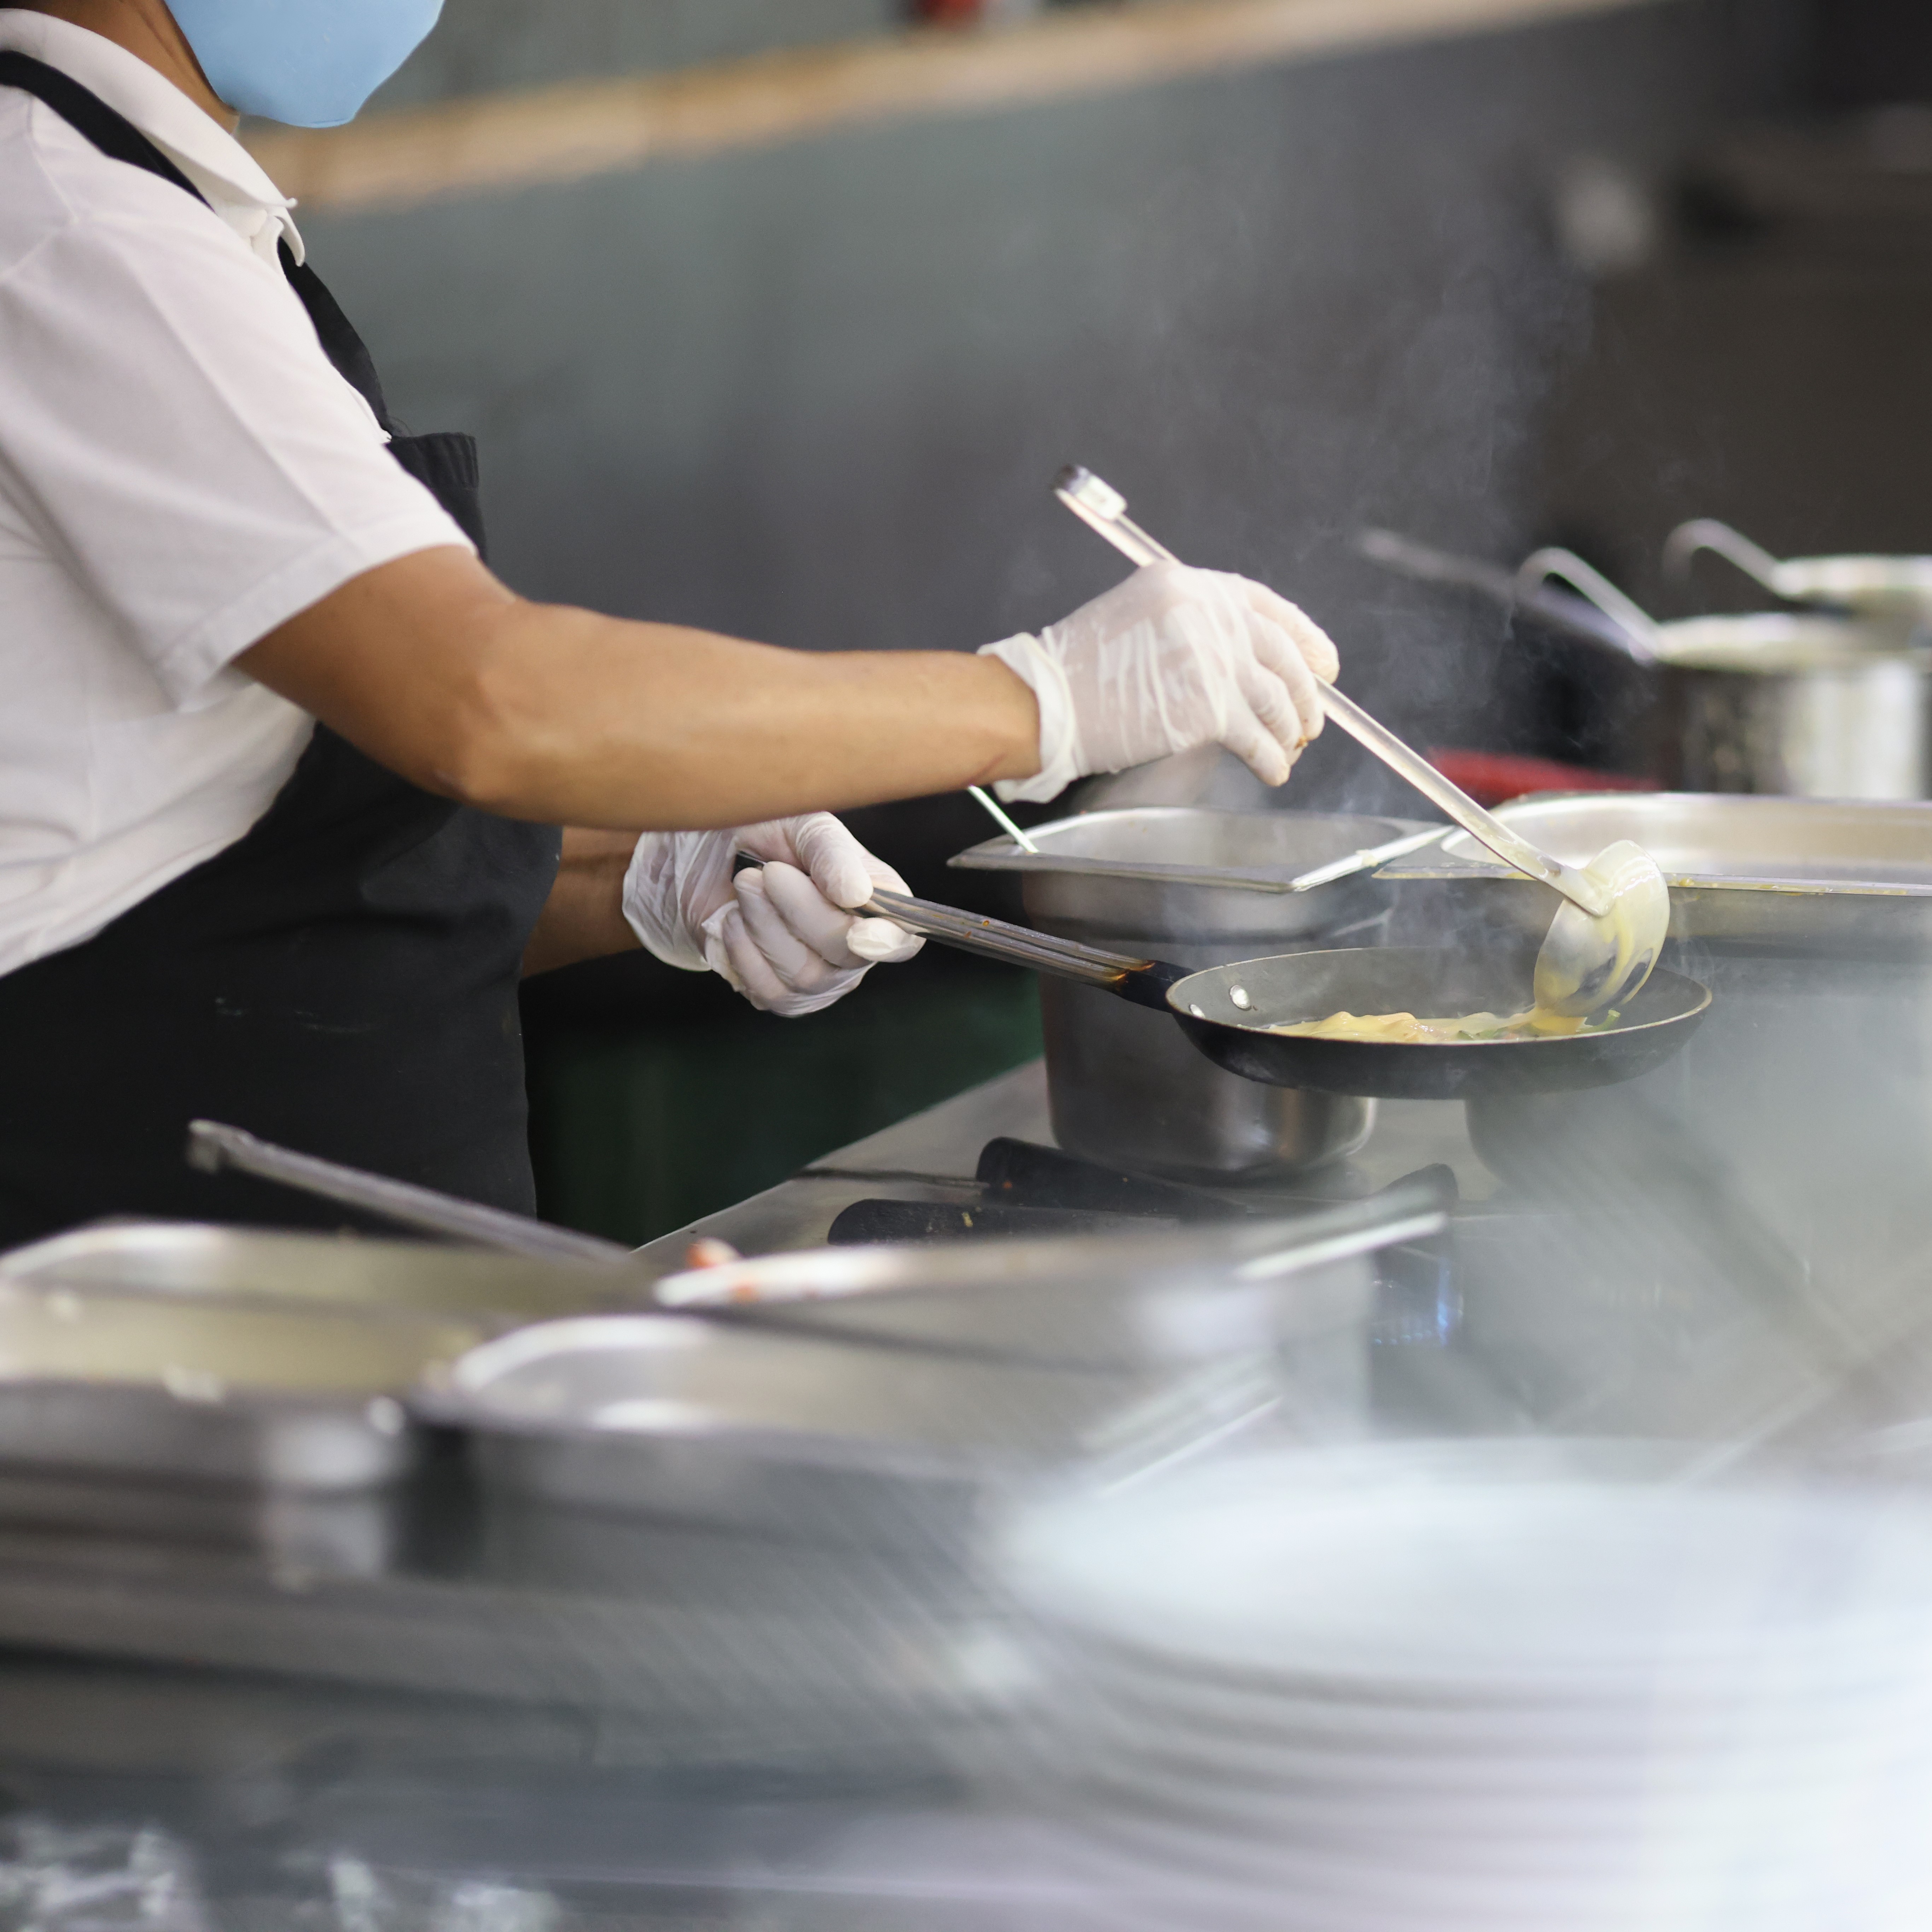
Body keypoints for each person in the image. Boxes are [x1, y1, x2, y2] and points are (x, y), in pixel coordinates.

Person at [0, 0, 1340, 1244]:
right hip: (158, 1298)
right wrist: (1044, 703)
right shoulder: (67, 231)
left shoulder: (176, 221)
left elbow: (220, 853)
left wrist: (638, 882)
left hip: (315, 1294)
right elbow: (488, 700)